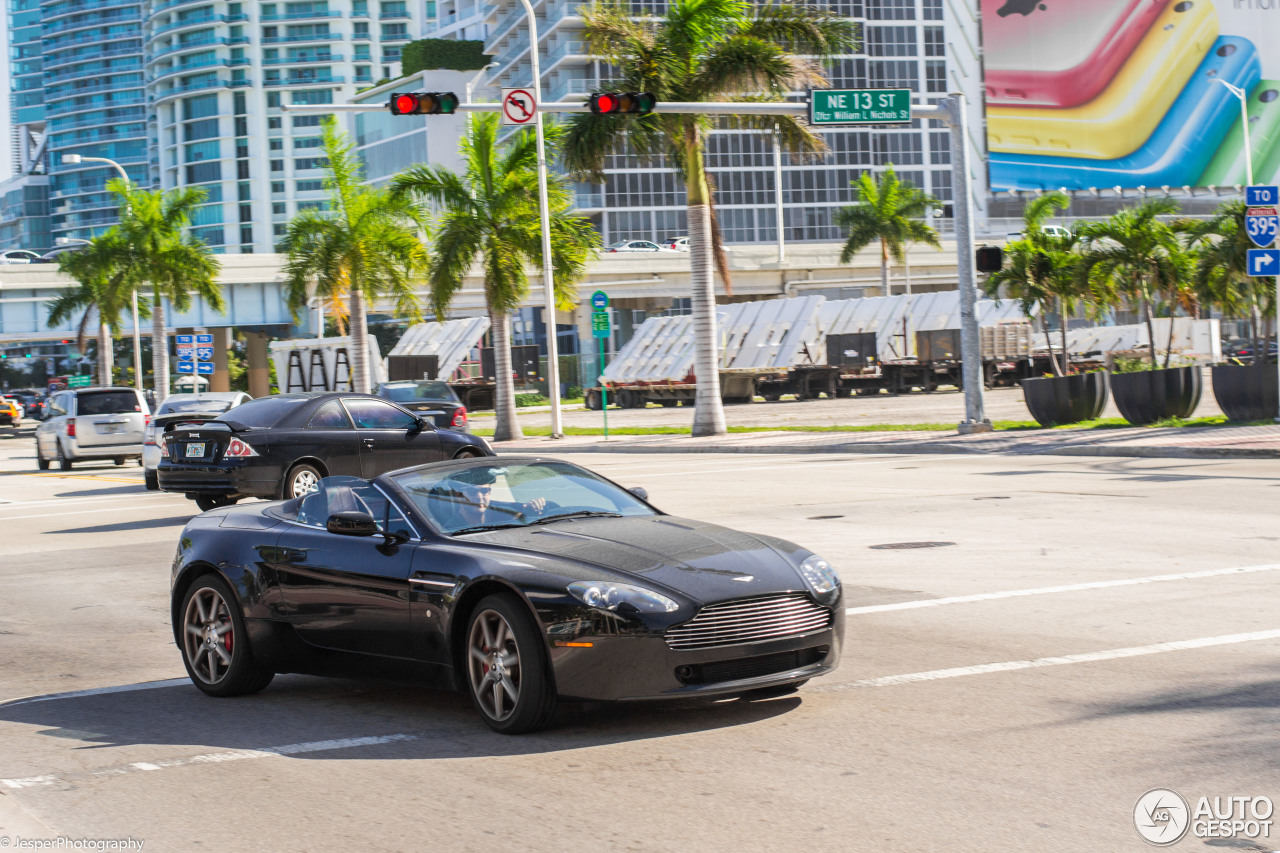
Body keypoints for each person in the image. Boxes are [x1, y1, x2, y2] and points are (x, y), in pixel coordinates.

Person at [431, 467, 546, 531]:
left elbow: (518, 518)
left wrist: (533, 509)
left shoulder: (496, 511)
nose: (480, 497)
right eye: (472, 492)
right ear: (459, 496)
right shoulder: (454, 527)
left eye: (484, 491)